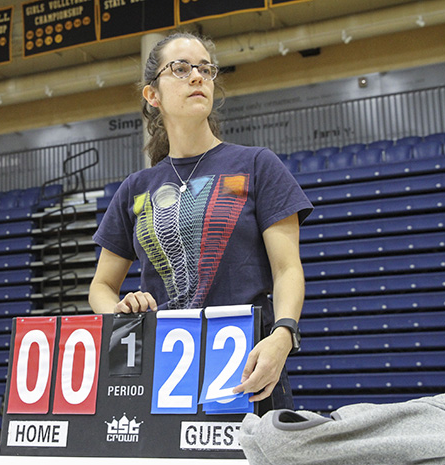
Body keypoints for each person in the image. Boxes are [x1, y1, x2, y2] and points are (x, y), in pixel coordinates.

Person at [88, 31, 313, 410]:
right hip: (159, 371)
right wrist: (120, 311)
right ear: (152, 95)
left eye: (205, 69)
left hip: (244, 368)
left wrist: (284, 334)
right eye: (180, 69)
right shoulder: (134, 188)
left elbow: (288, 269)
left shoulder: (258, 165)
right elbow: (101, 287)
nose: (197, 77)